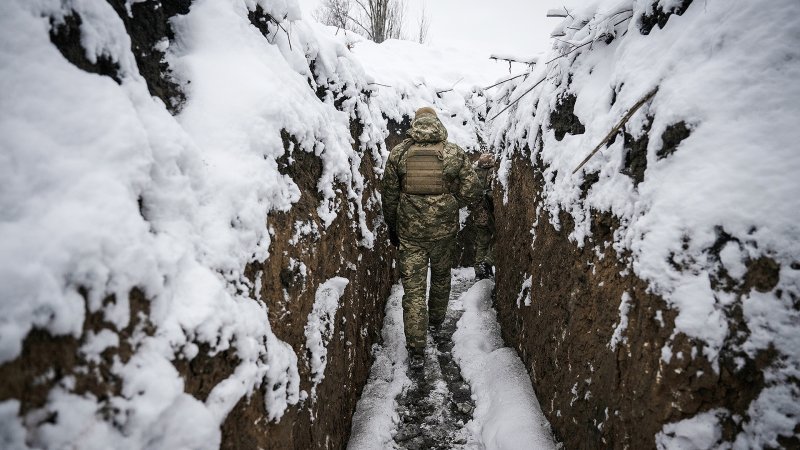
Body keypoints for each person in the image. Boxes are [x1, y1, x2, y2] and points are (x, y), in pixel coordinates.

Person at [382, 107, 481, 368]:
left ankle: (416, 351)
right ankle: (436, 325)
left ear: (415, 124)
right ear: (437, 124)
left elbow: (389, 196)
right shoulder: (454, 152)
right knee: (440, 277)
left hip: (410, 234)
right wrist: (452, 202)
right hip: (444, 232)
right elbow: (473, 189)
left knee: (413, 291)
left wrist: (394, 227)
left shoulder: (399, 153)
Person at [471, 153, 496, 280]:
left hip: (478, 213)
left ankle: (479, 271)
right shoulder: (493, 172)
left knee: (482, 242)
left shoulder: (473, 172)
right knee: (499, 239)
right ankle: (487, 263)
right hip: (490, 213)